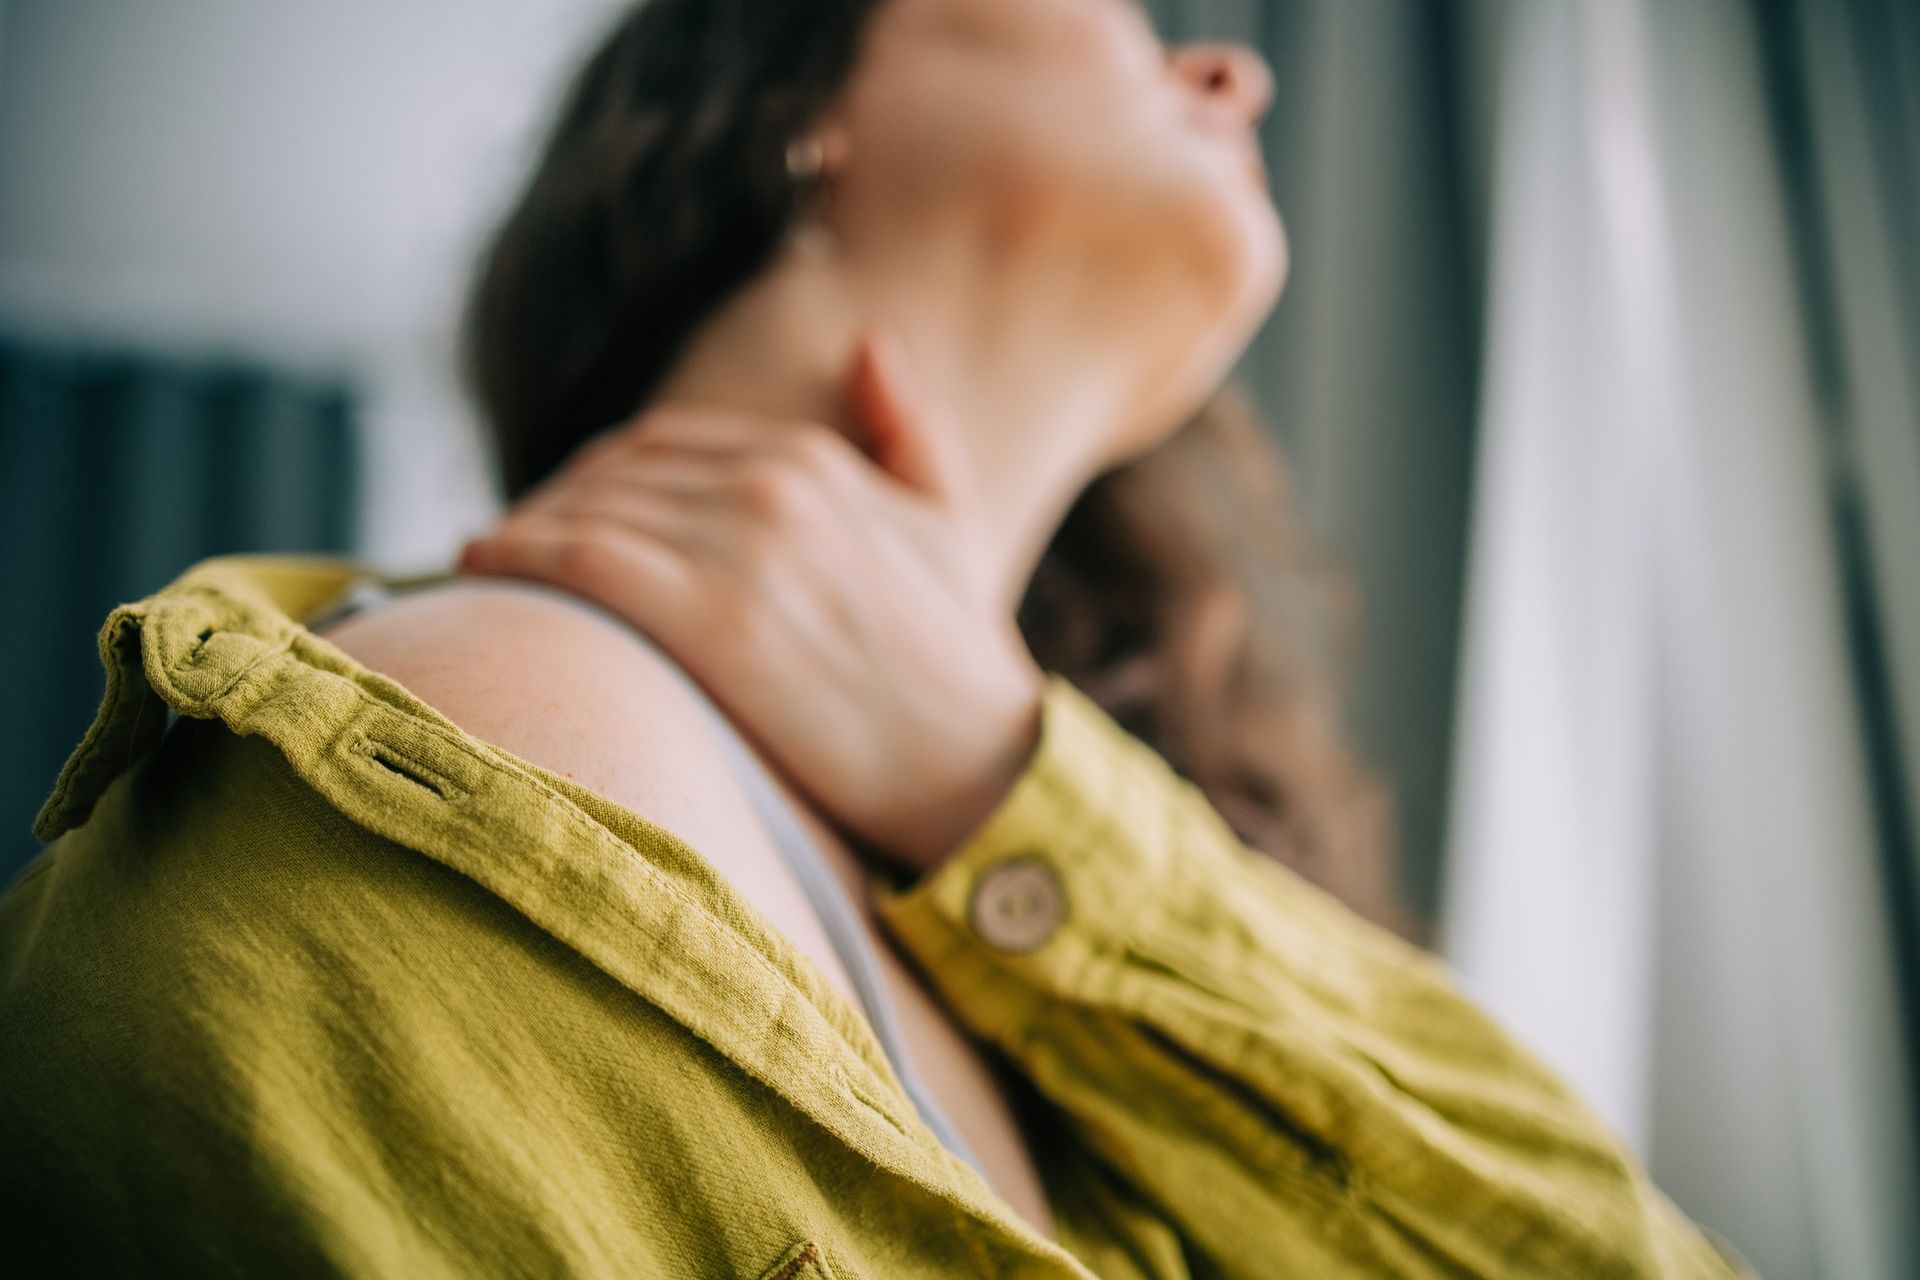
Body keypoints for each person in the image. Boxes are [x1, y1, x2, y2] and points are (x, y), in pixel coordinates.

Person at [0, 0, 1756, 1275]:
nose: (1237, 68)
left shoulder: (1090, 875)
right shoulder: (461, 743)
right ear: (789, 104)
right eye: (1125, 20)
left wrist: (1006, 791)